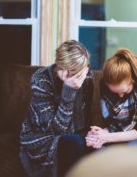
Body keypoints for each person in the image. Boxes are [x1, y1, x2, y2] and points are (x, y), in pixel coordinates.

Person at [19, 40, 93, 177]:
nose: (78, 77)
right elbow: (57, 131)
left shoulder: (86, 77)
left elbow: (83, 121)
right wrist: (68, 91)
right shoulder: (41, 80)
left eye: (80, 72)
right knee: (73, 142)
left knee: (95, 145)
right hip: (40, 136)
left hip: (73, 134)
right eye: (73, 73)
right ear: (60, 67)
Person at [86, 48, 137, 151]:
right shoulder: (105, 86)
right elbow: (113, 125)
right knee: (98, 151)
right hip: (123, 137)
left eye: (125, 91)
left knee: (131, 149)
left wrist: (107, 137)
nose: (120, 96)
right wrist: (100, 134)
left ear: (133, 80)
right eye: (115, 92)